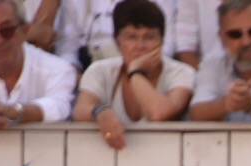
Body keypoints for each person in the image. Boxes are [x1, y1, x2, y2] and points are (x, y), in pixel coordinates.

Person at [73, 0, 194, 148]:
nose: (140, 46)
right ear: (117, 42)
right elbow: (80, 110)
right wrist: (101, 111)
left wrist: (135, 72)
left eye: (149, 37)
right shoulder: (100, 70)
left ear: (162, 41)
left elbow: (158, 114)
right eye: (131, 37)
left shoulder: (182, 73)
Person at [54, 0, 179, 68]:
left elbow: (166, 45)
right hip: (89, 63)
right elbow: (66, 44)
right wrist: (72, 70)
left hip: (146, 62)